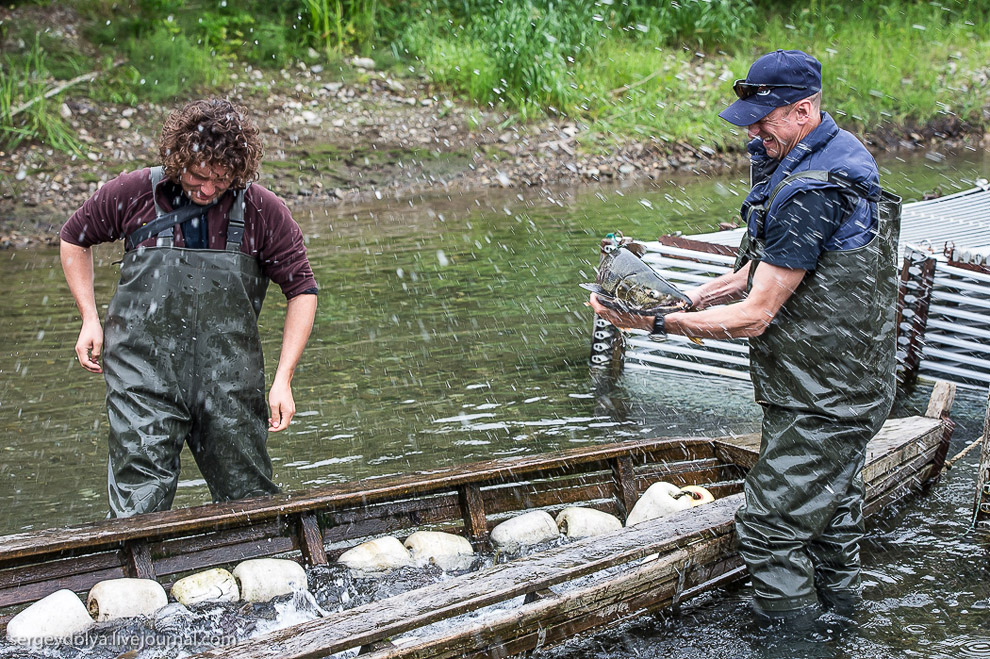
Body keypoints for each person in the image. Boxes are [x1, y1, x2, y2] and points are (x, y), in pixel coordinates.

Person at [590, 50, 899, 620]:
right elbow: (789, 261)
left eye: (764, 119)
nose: (753, 131)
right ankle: (840, 622)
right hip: (830, 377)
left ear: (803, 110)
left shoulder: (813, 188)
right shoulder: (828, 151)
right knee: (833, 516)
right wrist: (708, 292)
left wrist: (656, 322)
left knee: (768, 530)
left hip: (828, 395)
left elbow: (758, 315)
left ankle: (794, 643)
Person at [60, 98, 318, 517]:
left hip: (229, 381)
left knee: (248, 500)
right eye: (199, 176)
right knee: (138, 505)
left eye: (222, 179)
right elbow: (74, 238)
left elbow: (303, 290)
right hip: (142, 378)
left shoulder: (263, 211)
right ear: (178, 158)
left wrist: (283, 378)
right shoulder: (133, 193)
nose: (209, 190)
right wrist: (89, 317)